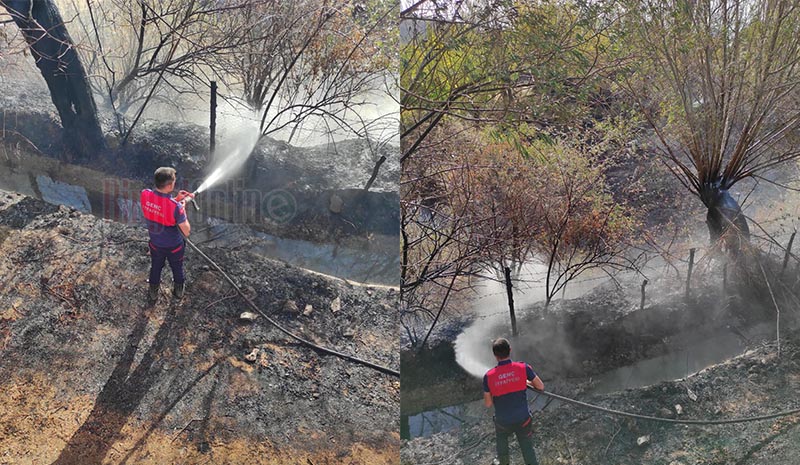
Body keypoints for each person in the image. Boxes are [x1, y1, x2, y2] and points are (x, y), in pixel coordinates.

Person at [483, 338, 544, 465]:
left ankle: (504, 461)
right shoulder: (523, 367)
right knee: (528, 451)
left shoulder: (488, 376)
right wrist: (523, 382)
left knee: (503, 450)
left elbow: (488, 404)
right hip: (523, 420)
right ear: (510, 350)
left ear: (495, 355)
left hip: (503, 423)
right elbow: (540, 386)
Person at [140, 167, 193, 303]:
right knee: (177, 267)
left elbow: (160, 207)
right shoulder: (176, 208)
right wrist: (182, 208)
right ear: (170, 185)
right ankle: (178, 291)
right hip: (174, 246)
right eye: (174, 182)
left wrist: (176, 200)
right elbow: (186, 231)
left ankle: (153, 292)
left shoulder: (145, 194)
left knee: (156, 266)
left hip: (155, 244)